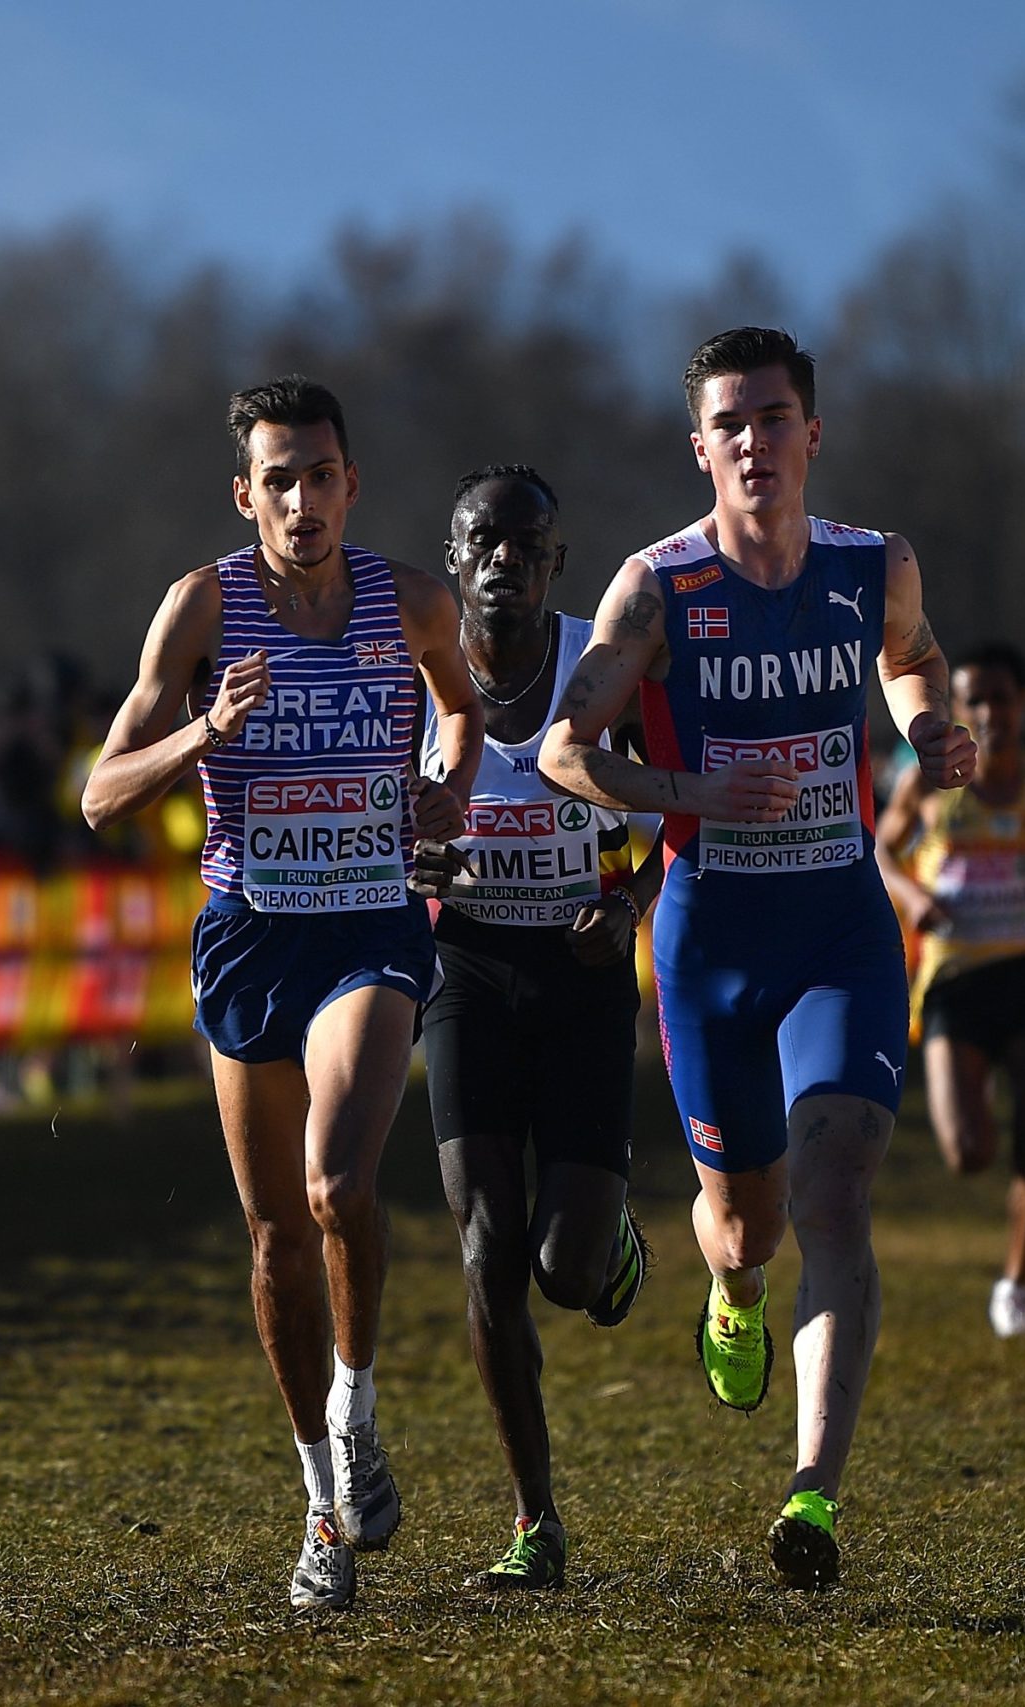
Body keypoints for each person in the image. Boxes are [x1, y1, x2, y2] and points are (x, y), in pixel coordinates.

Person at [539, 327, 977, 1590]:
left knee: (839, 1200)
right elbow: (570, 747)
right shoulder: (656, 588)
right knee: (747, 1226)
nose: (753, 441)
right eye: (728, 424)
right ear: (701, 450)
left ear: (810, 436)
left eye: (773, 418)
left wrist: (929, 731)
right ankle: (728, 1292)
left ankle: (813, 1501)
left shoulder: (867, 566)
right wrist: (693, 789)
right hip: (708, 945)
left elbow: (914, 660)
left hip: (839, 931)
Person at [81, 376, 480, 1612]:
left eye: (322, 475)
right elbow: (100, 795)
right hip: (249, 934)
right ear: (242, 491)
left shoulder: (411, 599)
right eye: (279, 478)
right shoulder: (204, 606)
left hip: (368, 926)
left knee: (335, 1184)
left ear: (350, 484)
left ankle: (358, 1411)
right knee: (271, 1240)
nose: (302, 500)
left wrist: (443, 791)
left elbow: (462, 709)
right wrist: (200, 735)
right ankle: (320, 1499)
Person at [410, 465, 662, 1591]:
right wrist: (409, 860)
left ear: (556, 563)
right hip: (467, 968)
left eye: (528, 544)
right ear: (454, 556)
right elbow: (385, 818)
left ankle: (610, 1242)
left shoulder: (596, 669)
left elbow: (670, 817)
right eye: (483, 541)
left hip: (581, 976)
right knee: (483, 1248)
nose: (504, 559)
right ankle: (535, 1523)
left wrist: (626, 905)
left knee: (560, 1269)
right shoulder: (420, 678)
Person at [876, 642, 1025, 1336]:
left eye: (1002, 698)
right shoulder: (925, 782)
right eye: (976, 699)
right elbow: (879, 850)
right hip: (954, 980)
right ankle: (985, 1085)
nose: (991, 712)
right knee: (969, 1152)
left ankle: (1016, 1287)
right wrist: (913, 898)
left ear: (1021, 702)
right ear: (959, 707)